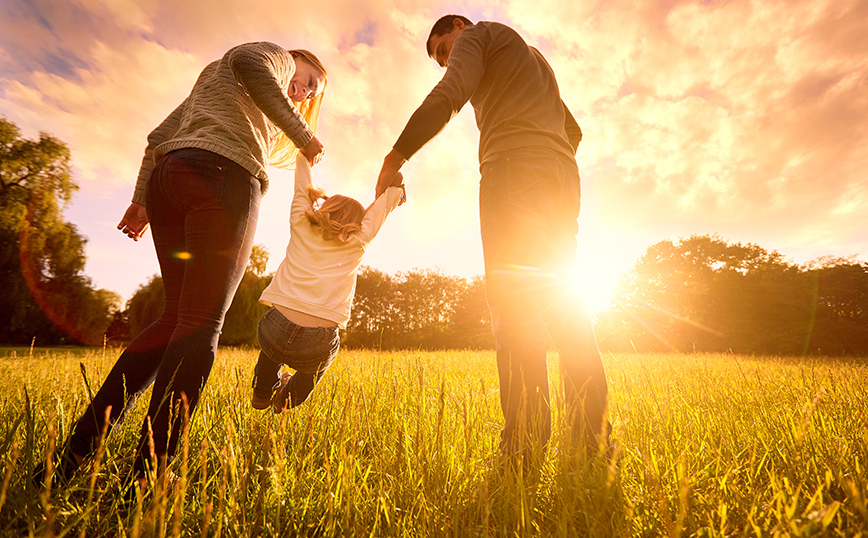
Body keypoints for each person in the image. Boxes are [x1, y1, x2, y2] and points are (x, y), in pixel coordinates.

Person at [40, 42, 328, 489]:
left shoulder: (217, 85)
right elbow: (253, 63)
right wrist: (303, 133)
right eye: (308, 80)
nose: (304, 92)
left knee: (174, 319)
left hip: (169, 180)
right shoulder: (271, 56)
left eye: (312, 94)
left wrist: (141, 200)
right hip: (224, 178)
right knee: (200, 324)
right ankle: (151, 474)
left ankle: (74, 456)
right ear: (294, 60)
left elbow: (158, 138)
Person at [375, 16, 610, 459]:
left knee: (515, 307)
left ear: (460, 27)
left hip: (513, 170)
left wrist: (396, 155)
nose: (447, 61)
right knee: (566, 307)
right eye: (441, 58)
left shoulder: (478, 36)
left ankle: (523, 445)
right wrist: (545, 156)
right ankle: (592, 441)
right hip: (562, 177)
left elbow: (450, 94)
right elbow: (572, 130)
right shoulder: (533, 58)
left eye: (446, 49)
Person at [250, 155, 404, 412]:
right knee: (312, 371)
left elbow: (302, 186)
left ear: (325, 208)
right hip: (317, 341)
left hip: (275, 327)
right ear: (358, 222)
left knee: (271, 349)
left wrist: (304, 156)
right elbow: (382, 208)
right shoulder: (359, 239)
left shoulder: (301, 222)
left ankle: (262, 392)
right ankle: (286, 400)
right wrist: (396, 189)